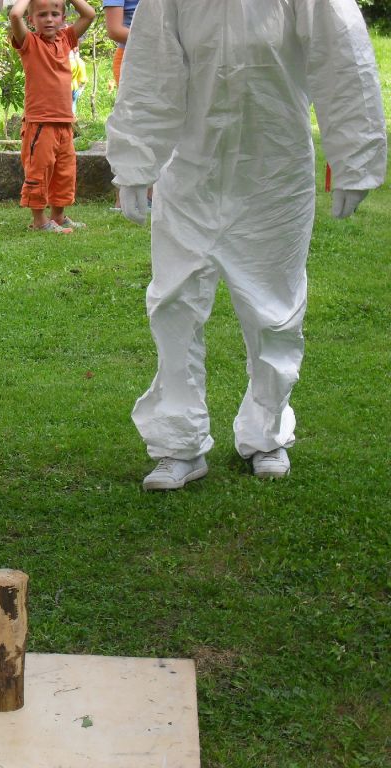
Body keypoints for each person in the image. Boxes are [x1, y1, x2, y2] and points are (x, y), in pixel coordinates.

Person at [106, 0, 386, 491]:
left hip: (273, 170)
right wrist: (135, 162)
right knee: (173, 303)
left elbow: (343, 59)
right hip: (191, 170)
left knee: (274, 311)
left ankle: (266, 433)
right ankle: (178, 443)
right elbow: (151, 68)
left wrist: (355, 160)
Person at [9, 0, 96, 233]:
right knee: (39, 171)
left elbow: (89, 14)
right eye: (42, 15)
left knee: (64, 172)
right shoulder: (29, 42)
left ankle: (58, 217)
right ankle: (40, 221)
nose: (49, 19)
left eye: (55, 14)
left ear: (63, 19)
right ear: (31, 20)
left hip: (64, 121)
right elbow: (15, 15)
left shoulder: (65, 39)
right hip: (40, 122)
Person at [103, 0, 145, 212]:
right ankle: (125, 199)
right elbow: (115, 30)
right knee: (134, 128)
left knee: (155, 125)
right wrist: (160, 40)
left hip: (161, 55)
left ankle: (149, 196)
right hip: (133, 57)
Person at [70, 47, 88, 116]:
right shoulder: (80, 62)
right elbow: (83, 80)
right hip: (75, 88)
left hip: (63, 88)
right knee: (73, 105)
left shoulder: (63, 60)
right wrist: (80, 90)